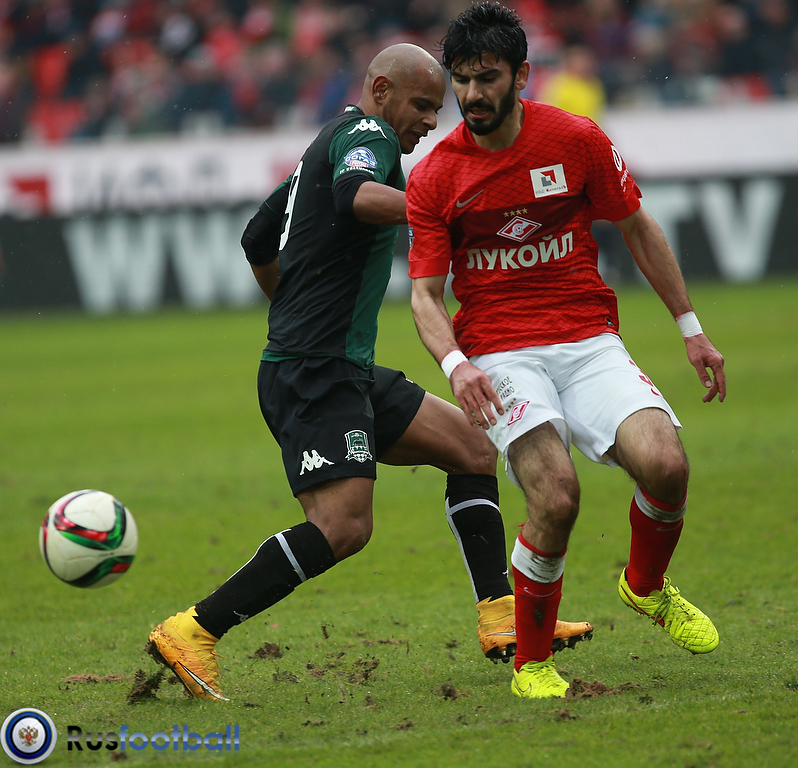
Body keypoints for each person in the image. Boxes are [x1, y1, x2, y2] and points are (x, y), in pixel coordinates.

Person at [146, 42, 592, 701]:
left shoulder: (321, 148)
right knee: (344, 527)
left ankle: (501, 615)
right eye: (421, 105)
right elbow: (354, 195)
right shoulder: (366, 135)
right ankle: (194, 629)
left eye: (436, 110)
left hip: (338, 366)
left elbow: (256, 237)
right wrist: (438, 206)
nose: (430, 121)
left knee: (473, 446)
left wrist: (292, 308)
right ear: (381, 91)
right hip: (314, 373)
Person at [406, 3, 726, 700]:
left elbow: (637, 226)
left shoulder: (575, 139)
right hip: (500, 354)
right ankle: (532, 664)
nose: (472, 94)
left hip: (588, 341)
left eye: (487, 77)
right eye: (461, 79)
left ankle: (646, 586)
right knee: (556, 495)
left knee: (667, 466)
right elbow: (425, 296)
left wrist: (691, 328)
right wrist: (456, 366)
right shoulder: (436, 176)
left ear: (521, 75)